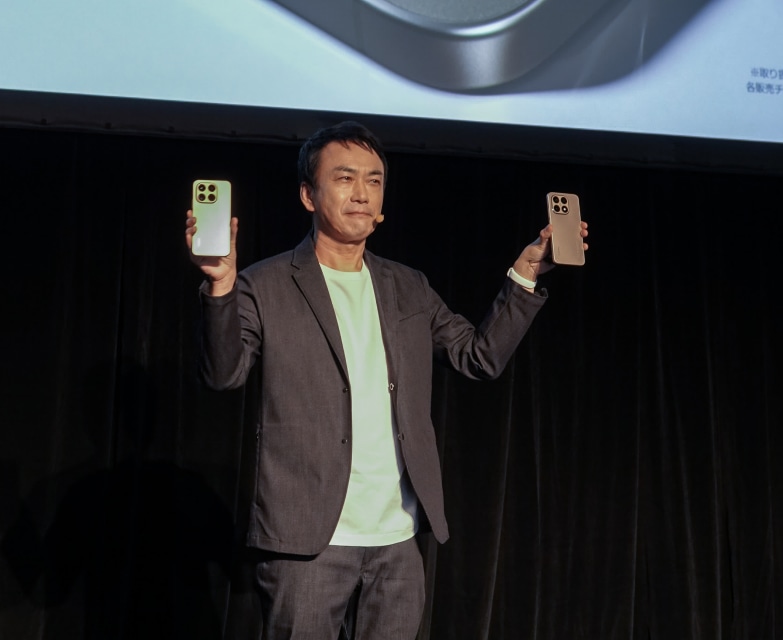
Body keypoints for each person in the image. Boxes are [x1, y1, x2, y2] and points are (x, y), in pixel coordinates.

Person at [185, 121, 588, 639]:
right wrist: (220, 285)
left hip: (398, 540)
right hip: (307, 541)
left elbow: (479, 357)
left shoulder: (408, 285)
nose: (361, 193)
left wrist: (525, 274)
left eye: (373, 181)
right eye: (345, 178)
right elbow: (223, 375)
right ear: (308, 195)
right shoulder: (263, 284)